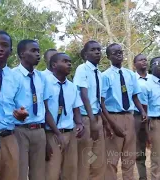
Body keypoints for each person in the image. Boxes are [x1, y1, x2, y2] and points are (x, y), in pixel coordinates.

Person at [0, 30, 28, 180]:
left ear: (11, 50)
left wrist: (21, 115)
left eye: (4, 45)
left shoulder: (16, 77)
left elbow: (20, 109)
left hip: (8, 137)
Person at [101, 43, 147, 180]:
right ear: (109, 56)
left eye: (120, 51)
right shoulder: (105, 76)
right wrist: (110, 124)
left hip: (129, 117)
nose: (119, 54)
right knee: (112, 158)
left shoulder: (130, 75)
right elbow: (101, 101)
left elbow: (134, 96)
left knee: (129, 156)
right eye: (115, 53)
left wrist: (142, 111)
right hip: (114, 117)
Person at [12, 39, 51, 180]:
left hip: (39, 131)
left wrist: (46, 135)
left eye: (38, 51)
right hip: (20, 130)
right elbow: (7, 104)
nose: (38, 54)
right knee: (20, 173)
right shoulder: (12, 76)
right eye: (33, 51)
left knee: (39, 174)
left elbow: (45, 107)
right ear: (22, 54)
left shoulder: (42, 77)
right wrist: (16, 113)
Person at [45, 52, 84, 180]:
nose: (69, 64)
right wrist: (57, 133)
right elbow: (45, 111)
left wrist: (79, 124)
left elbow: (76, 108)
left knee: (70, 172)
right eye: (65, 61)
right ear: (54, 64)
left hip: (69, 134)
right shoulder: (45, 83)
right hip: (52, 134)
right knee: (52, 173)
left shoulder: (72, 87)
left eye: (70, 62)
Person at [73, 40, 106, 180]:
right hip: (86, 118)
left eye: (99, 49)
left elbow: (98, 99)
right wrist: (92, 121)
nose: (97, 52)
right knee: (85, 159)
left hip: (97, 117)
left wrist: (100, 120)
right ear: (86, 54)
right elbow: (84, 95)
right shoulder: (82, 69)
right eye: (93, 50)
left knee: (98, 159)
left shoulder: (98, 72)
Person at [145, 57, 160, 180]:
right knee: (157, 158)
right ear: (151, 66)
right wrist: (147, 130)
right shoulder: (146, 84)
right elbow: (144, 108)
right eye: (158, 63)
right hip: (157, 123)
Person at [133, 54, 150, 180]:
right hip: (138, 116)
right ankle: (142, 176)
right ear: (135, 64)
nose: (144, 61)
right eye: (140, 60)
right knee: (140, 148)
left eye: (145, 59)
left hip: (155, 116)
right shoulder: (131, 79)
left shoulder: (154, 78)